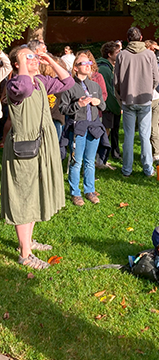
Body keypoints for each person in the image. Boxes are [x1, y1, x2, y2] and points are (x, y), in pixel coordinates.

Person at [3, 46, 74, 269]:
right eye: (27, 58)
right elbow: (23, 87)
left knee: (33, 194)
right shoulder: (15, 84)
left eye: (34, 57)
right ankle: (25, 254)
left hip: (40, 147)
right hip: (23, 151)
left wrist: (50, 61)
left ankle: (28, 241)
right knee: (23, 197)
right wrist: (23, 60)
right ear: (16, 64)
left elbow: (67, 83)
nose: (33, 60)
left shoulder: (41, 82)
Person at [59, 54, 107, 206]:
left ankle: (89, 190)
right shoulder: (69, 86)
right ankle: (75, 193)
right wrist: (78, 105)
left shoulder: (95, 86)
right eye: (83, 63)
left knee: (89, 161)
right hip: (77, 128)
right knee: (76, 161)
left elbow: (103, 106)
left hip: (93, 127)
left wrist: (99, 102)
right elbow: (63, 108)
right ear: (75, 67)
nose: (87, 65)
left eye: (89, 62)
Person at [114, 27, 159, 177]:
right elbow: (156, 78)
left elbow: (116, 81)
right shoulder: (149, 55)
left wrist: (122, 95)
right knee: (144, 136)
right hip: (145, 100)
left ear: (127, 39)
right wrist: (148, 88)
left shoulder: (122, 55)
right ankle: (148, 169)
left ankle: (127, 169)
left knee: (128, 135)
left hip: (128, 99)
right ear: (141, 38)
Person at [97, 41, 122, 161]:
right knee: (104, 133)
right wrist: (117, 106)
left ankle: (104, 158)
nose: (119, 54)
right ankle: (100, 160)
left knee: (109, 132)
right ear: (109, 54)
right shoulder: (104, 69)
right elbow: (108, 90)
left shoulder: (109, 67)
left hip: (110, 106)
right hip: (107, 107)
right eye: (117, 52)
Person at [144, 40, 159, 166]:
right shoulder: (142, 61)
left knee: (153, 127)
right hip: (145, 99)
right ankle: (146, 152)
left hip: (156, 98)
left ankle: (156, 153)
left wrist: (158, 48)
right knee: (144, 128)